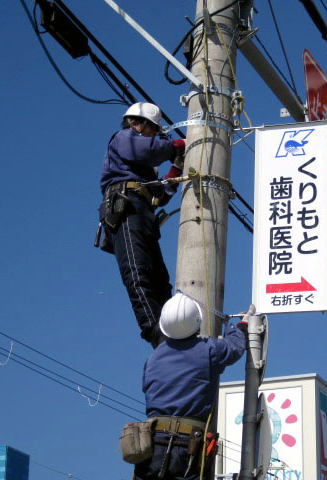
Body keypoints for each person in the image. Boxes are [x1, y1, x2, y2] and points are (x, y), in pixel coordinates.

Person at [98, 102, 186, 348]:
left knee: (160, 280)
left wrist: (176, 168)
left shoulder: (143, 169)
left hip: (142, 213)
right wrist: (177, 145)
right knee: (138, 273)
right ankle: (158, 335)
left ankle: (175, 331)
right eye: (153, 131)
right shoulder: (123, 138)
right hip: (125, 207)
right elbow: (148, 150)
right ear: (136, 123)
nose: (156, 136)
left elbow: (160, 194)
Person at [134, 293, 248, 480]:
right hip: (187, 445)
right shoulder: (208, 349)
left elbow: (146, 387)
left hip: (152, 443)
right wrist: (240, 326)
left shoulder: (153, 357)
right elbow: (234, 347)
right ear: (197, 323)